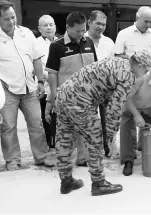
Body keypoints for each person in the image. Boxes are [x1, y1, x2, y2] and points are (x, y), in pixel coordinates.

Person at [54, 50, 151, 196]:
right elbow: (114, 109)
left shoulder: (119, 61)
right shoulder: (128, 75)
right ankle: (98, 182)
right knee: (94, 141)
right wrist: (111, 137)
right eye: (146, 70)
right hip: (81, 102)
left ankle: (66, 181)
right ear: (139, 66)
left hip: (63, 94)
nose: (145, 74)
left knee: (64, 138)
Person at [0, 0, 54, 171]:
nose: (12, 22)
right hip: (7, 88)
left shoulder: (26, 33)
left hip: (30, 88)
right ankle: (12, 160)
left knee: (36, 123)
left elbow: (36, 58)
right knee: (8, 127)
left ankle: (41, 157)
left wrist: (39, 80)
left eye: (13, 17)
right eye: (7, 19)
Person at [45, 12, 97, 167]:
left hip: (88, 96)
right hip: (67, 97)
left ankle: (83, 158)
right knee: (66, 132)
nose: (81, 34)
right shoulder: (57, 46)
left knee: (87, 129)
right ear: (68, 28)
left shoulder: (88, 42)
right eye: (78, 31)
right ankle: (65, 163)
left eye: (83, 30)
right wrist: (54, 97)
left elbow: (94, 68)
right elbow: (52, 74)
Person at [114, 6, 151, 163]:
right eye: (146, 21)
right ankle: (128, 157)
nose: (149, 25)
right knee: (128, 118)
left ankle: (147, 151)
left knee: (150, 115)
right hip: (130, 80)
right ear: (137, 18)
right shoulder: (124, 34)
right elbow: (118, 58)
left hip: (149, 81)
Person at [85, 10, 117, 158]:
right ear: (89, 22)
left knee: (108, 120)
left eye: (103, 24)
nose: (101, 27)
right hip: (87, 88)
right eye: (98, 23)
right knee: (89, 122)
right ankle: (90, 151)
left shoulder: (109, 42)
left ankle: (108, 147)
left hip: (105, 88)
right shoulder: (81, 40)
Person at [36, 15, 58, 156]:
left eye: (51, 24)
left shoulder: (61, 42)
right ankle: (50, 146)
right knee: (46, 118)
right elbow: (36, 67)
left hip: (59, 87)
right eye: (45, 25)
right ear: (39, 29)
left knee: (59, 117)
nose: (49, 27)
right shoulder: (35, 43)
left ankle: (60, 144)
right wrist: (50, 78)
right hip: (44, 87)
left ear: (55, 27)